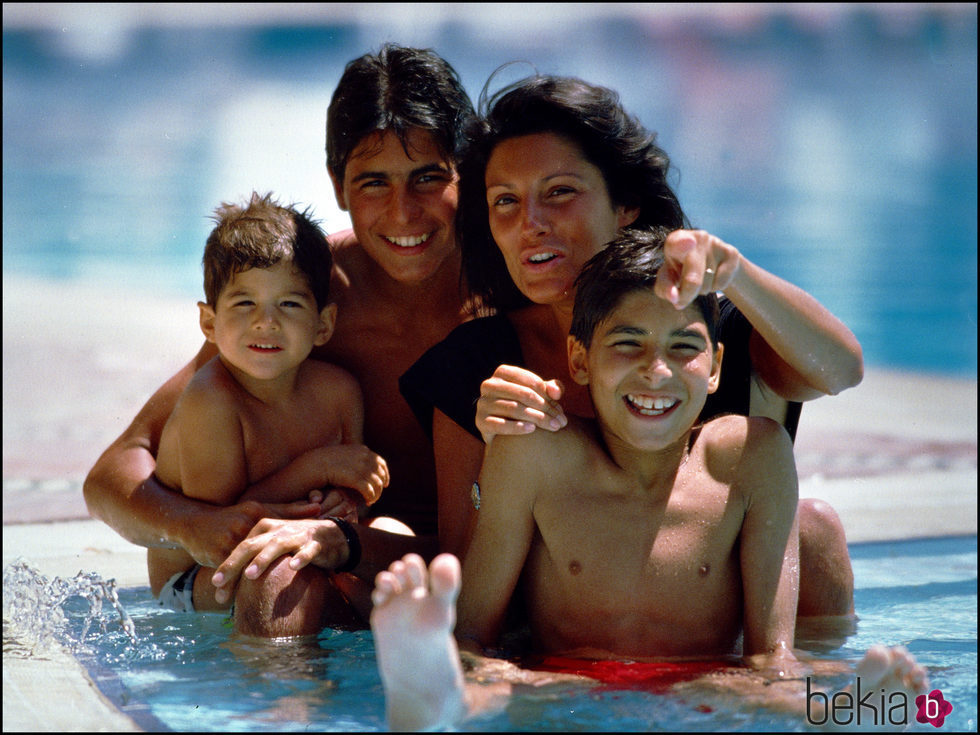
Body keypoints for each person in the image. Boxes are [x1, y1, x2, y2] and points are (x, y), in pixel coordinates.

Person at [372, 231, 927, 731]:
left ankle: (850, 717)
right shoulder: (536, 453)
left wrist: (788, 693)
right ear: (579, 359)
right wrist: (471, 664)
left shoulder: (753, 456)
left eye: (683, 347)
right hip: (563, 683)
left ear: (714, 368)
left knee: (780, 694)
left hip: (709, 683)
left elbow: (770, 656)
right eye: (627, 343)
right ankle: (436, 701)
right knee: (487, 682)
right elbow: (474, 634)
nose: (655, 370)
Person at [400, 74, 863, 620]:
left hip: (715, 632)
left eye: (560, 193)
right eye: (506, 202)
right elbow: (464, 576)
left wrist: (737, 275)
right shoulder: (475, 365)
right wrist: (493, 455)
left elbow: (840, 370)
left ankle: (821, 700)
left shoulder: (707, 332)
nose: (530, 224)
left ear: (625, 206)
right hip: (559, 642)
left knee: (813, 530)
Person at [84, 44, 477, 629]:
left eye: (427, 177)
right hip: (328, 555)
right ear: (338, 187)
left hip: (419, 554)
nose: (403, 213)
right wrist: (190, 525)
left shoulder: (509, 294)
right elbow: (113, 476)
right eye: (373, 183)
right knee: (281, 569)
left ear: (465, 175)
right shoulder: (301, 300)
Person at [149, 192, 391, 635]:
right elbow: (222, 531)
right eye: (244, 304)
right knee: (278, 574)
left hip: (299, 543)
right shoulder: (212, 401)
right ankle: (280, 690)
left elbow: (354, 494)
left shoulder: (340, 391)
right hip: (198, 579)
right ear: (208, 323)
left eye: (289, 304)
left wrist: (351, 500)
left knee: (392, 538)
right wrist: (314, 468)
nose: (266, 322)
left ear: (323, 325)